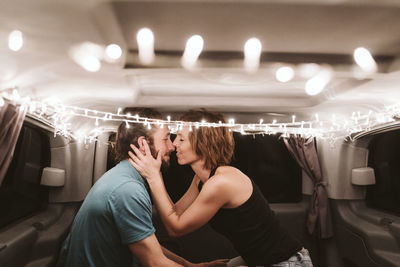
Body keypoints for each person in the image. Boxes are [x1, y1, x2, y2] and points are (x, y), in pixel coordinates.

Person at [128, 109, 313, 267]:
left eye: (181, 139)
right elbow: (175, 212)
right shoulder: (201, 179)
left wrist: (154, 176)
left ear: (203, 144)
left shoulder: (221, 182)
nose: (174, 144)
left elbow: (176, 228)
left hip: (288, 261)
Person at [58, 108, 228, 267]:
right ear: (143, 144)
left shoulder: (125, 178)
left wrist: (192, 266)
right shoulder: (128, 189)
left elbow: (150, 245)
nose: (171, 146)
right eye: (166, 138)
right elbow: (154, 262)